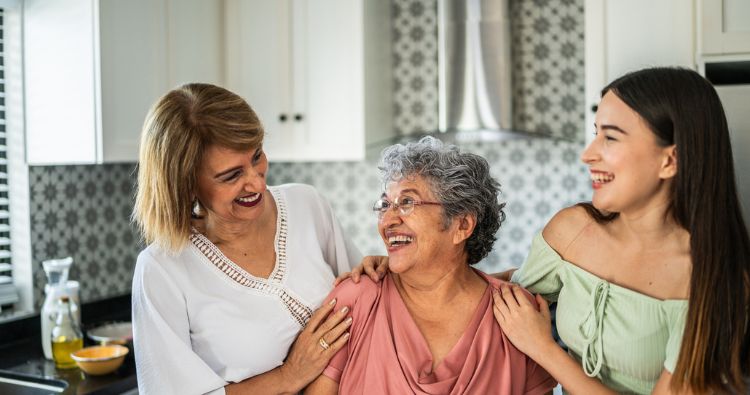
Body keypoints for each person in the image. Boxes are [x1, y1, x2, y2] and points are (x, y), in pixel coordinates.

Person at [491, 67, 750, 394]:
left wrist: (544, 349)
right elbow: (504, 301)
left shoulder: (713, 280)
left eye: (610, 137)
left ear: (670, 161)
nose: (588, 154)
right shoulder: (572, 231)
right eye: (595, 132)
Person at [131, 83, 378, 394]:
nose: (256, 183)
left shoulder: (307, 205)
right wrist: (289, 375)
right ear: (187, 184)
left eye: (257, 156)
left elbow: (369, 307)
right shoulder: (162, 270)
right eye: (232, 175)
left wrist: (379, 270)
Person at [305, 137, 557, 394]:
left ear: (462, 226)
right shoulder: (356, 299)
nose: (387, 220)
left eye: (407, 203)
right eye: (384, 205)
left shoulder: (516, 315)